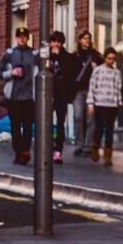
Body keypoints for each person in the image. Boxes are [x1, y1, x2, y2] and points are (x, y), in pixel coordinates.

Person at [0, 27, 38, 165]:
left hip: (29, 97)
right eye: (19, 36)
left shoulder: (34, 54)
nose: (22, 39)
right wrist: (11, 73)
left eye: (24, 36)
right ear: (16, 38)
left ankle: (25, 150)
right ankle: (18, 152)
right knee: (15, 126)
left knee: (28, 126)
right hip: (14, 97)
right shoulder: (9, 54)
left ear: (28, 38)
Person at [45, 31, 80, 163]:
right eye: (53, 41)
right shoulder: (46, 55)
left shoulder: (66, 56)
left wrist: (58, 56)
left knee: (60, 122)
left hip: (62, 93)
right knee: (46, 121)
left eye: (58, 42)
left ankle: (58, 150)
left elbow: (69, 70)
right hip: (48, 93)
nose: (55, 44)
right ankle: (47, 146)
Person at [86, 48, 123, 163]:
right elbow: (92, 87)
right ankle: (95, 146)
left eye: (113, 59)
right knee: (99, 127)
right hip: (100, 103)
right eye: (109, 58)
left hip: (112, 105)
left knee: (110, 130)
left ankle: (108, 155)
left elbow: (118, 89)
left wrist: (120, 103)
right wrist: (90, 103)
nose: (111, 61)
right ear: (105, 57)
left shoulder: (117, 72)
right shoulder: (97, 71)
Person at [71, 31, 104, 151]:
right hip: (78, 90)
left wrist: (97, 68)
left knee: (90, 118)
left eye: (88, 38)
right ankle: (79, 144)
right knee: (78, 116)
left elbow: (103, 69)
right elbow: (71, 74)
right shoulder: (75, 56)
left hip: (92, 90)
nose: (87, 41)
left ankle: (88, 145)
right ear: (79, 40)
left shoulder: (96, 55)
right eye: (84, 38)